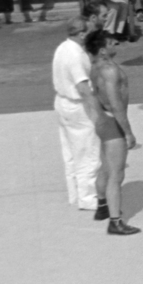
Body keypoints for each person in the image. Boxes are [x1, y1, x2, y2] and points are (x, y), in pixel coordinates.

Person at [84, 29, 141, 236]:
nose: (115, 44)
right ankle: (115, 222)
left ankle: (102, 207)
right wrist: (128, 132)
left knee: (106, 166)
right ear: (102, 50)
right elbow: (116, 105)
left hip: (103, 120)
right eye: (111, 43)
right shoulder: (109, 70)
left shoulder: (95, 66)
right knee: (116, 175)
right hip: (112, 122)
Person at [52, 18, 103, 211]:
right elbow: (83, 87)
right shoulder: (76, 55)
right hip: (78, 106)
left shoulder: (62, 48)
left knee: (71, 153)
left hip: (62, 102)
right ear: (82, 34)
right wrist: (98, 112)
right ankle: (88, 198)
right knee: (88, 153)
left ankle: (74, 194)